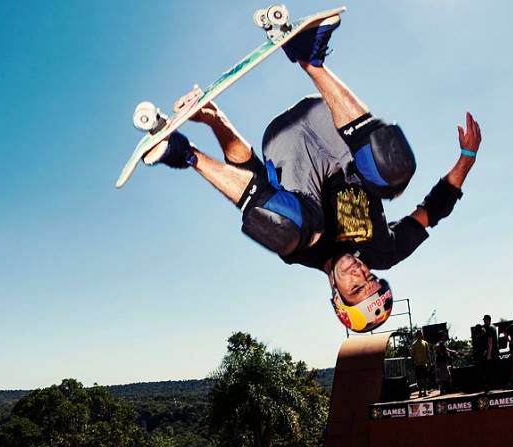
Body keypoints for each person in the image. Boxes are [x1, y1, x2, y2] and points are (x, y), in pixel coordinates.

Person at [142, 15, 481, 333]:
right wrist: (467, 157)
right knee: (393, 175)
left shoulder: (302, 252)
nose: (360, 273)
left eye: (356, 287)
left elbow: (253, 173)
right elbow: (431, 212)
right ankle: (309, 58)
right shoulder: (385, 251)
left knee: (290, 230)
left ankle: (181, 152)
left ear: (337, 298)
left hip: (286, 144)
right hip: (332, 128)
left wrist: (215, 122)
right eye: (370, 278)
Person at [472, 314, 498, 392]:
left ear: (489, 320)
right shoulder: (486, 328)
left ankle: (489, 387)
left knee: (488, 370)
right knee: (486, 370)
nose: (484, 321)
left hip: (492, 352)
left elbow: (490, 342)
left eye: (485, 320)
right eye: (483, 320)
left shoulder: (490, 328)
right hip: (488, 352)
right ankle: (487, 387)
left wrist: (489, 354)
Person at [410, 330, 432, 397]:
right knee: (419, 379)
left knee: (425, 378)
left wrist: (429, 362)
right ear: (417, 335)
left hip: (424, 364)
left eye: (421, 334)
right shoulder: (414, 344)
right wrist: (413, 361)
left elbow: (428, 353)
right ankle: (420, 392)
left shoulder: (425, 343)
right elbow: (412, 355)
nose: (421, 335)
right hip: (417, 364)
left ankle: (425, 392)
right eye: (419, 334)